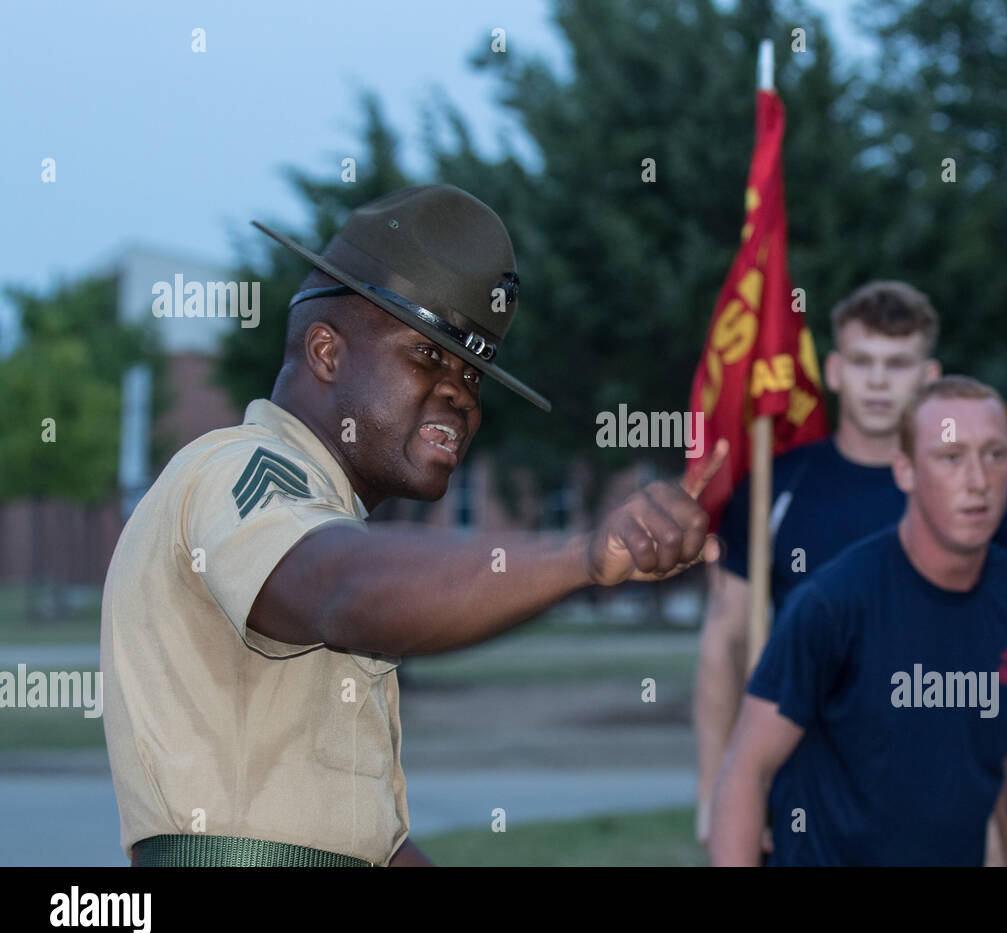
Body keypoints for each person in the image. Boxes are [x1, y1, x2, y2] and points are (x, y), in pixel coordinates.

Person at [100, 185, 726, 867]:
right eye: (427, 355)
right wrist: (579, 558)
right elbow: (339, 588)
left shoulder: (329, 515)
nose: (460, 391)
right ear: (325, 352)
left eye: (474, 374)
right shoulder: (236, 467)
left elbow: (356, 840)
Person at [693, 281, 1007, 843]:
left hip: (955, 796)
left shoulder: (976, 494)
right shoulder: (777, 487)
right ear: (833, 371)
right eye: (862, 361)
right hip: (810, 799)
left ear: (930, 377)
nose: (878, 381)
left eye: (898, 363)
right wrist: (715, 794)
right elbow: (724, 642)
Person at [709, 376, 1007, 866]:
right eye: (951, 457)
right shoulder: (832, 602)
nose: (978, 480)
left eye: (995, 455)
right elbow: (745, 772)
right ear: (903, 470)